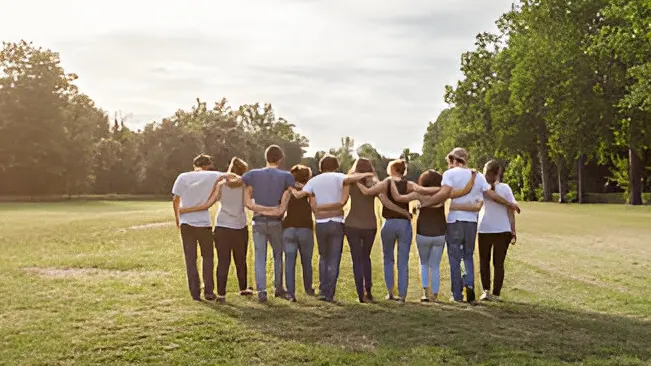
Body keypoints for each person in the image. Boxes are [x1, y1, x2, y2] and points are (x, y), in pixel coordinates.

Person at [416, 148, 520, 303]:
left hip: (455, 222)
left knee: (455, 258)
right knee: (467, 257)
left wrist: (424, 204)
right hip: (471, 223)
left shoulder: (449, 174)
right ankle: (469, 285)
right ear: (465, 159)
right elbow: (491, 194)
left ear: (453, 160)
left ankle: (457, 294)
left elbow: (444, 194)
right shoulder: (477, 176)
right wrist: (509, 204)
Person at [292, 155, 374, 302]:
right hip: (337, 222)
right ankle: (330, 293)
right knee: (334, 259)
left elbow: (300, 196)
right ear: (336, 165)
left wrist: (319, 208)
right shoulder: (340, 177)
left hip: (321, 223)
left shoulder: (313, 181)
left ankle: (323, 290)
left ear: (320, 166)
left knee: (323, 257)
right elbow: (343, 200)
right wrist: (368, 174)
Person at [390, 170, 480, 302]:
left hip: (423, 233)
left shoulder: (418, 194)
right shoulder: (444, 193)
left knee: (424, 264)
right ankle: (435, 295)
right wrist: (472, 179)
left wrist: (390, 183)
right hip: (439, 233)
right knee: (435, 266)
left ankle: (426, 293)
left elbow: (398, 198)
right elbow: (463, 191)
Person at [179, 157, 252, 302]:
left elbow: (210, 202)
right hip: (239, 226)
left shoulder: (221, 185)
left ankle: (221, 294)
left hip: (222, 226)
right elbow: (249, 203)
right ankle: (243, 288)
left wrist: (188, 208)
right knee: (241, 259)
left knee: (223, 261)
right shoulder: (245, 186)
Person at [171, 154, 233, 301]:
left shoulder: (183, 177)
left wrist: (177, 219)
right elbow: (232, 176)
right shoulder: (213, 175)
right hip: (204, 223)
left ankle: (195, 293)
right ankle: (209, 291)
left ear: (194, 165)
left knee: (190, 259)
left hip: (186, 223)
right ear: (208, 164)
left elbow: (175, 200)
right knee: (208, 257)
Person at [242, 145, 296, 303]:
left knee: (260, 256)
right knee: (278, 255)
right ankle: (278, 288)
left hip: (258, 220)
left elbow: (248, 201)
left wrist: (260, 209)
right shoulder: (286, 176)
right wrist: (273, 209)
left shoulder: (251, 174)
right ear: (280, 159)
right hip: (276, 222)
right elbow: (283, 205)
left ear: (266, 157)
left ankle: (262, 291)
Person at [478, 160, 518, 302]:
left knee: (488, 262)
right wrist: (513, 230)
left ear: (491, 173)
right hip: (496, 229)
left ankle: (488, 292)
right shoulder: (492, 188)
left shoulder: (495, 187)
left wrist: (513, 231)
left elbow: (511, 210)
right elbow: (511, 209)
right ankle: (493, 293)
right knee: (495, 263)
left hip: (490, 229)